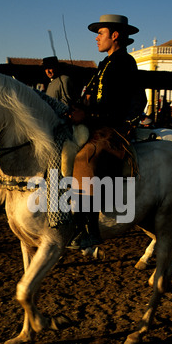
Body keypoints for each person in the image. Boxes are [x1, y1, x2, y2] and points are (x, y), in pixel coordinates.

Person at [69, 14, 147, 250]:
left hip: (115, 128)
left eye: (100, 33)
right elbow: (91, 97)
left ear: (115, 36)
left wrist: (91, 116)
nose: (96, 38)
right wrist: (78, 108)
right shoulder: (104, 65)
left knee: (86, 157)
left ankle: (89, 230)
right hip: (96, 125)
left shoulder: (126, 63)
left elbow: (130, 103)